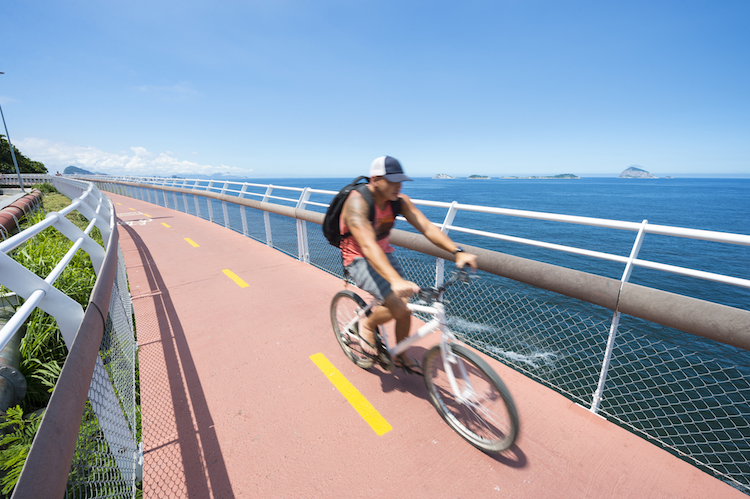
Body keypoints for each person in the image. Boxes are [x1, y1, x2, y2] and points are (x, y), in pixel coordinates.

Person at [340, 156, 477, 374]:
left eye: (400, 181)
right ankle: (367, 325)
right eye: (392, 181)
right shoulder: (357, 203)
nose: (398, 186)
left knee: (403, 308)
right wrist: (395, 281)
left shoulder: (399, 201)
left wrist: (457, 252)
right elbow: (367, 245)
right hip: (358, 257)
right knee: (398, 305)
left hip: (384, 254)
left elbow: (426, 227)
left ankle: (401, 356)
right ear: (375, 179)